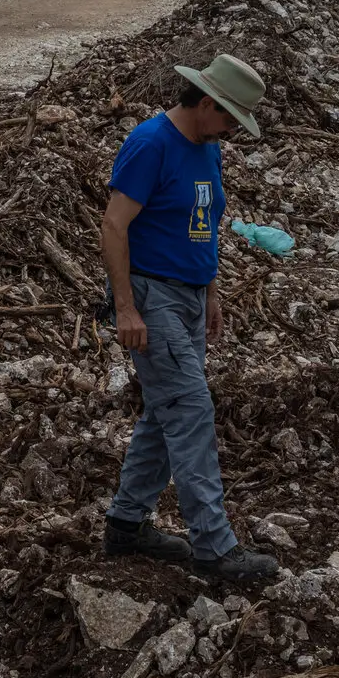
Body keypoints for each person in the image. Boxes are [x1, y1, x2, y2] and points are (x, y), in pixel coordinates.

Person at [98, 54, 280, 582]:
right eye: (228, 120)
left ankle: (127, 527)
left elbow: (201, 224)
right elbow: (113, 226)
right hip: (152, 298)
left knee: (167, 409)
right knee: (192, 408)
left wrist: (211, 291)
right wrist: (126, 306)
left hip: (191, 297)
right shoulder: (151, 144)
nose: (232, 133)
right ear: (206, 103)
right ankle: (213, 547)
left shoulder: (208, 147)